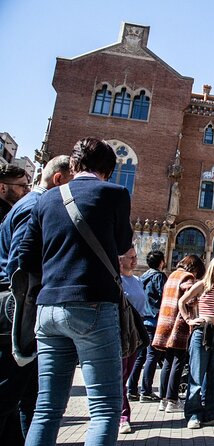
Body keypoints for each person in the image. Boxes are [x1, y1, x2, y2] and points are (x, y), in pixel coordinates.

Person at [18, 137, 133, 446]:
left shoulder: (46, 199)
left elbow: (25, 259)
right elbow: (124, 246)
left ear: (74, 164)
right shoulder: (115, 194)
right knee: (105, 409)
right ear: (109, 170)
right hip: (93, 305)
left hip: (48, 308)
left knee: (46, 408)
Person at [0, 155, 70, 445]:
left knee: (27, 397)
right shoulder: (35, 206)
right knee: (9, 394)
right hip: (18, 310)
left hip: (23, 308)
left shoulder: (30, 205)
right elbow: (19, 268)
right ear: (58, 179)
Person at [178, 255, 214, 429]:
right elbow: (182, 302)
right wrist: (189, 320)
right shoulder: (202, 285)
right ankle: (193, 414)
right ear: (213, 268)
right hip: (203, 332)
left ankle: (211, 413)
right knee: (197, 376)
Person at [152, 254, 205, 413]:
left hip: (166, 321)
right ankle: (173, 400)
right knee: (178, 361)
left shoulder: (172, 275)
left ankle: (163, 398)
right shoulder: (187, 276)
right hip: (179, 323)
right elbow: (189, 299)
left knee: (168, 361)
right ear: (194, 268)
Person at [118, 247, 151, 434]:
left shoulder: (138, 280)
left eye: (135, 257)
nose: (134, 260)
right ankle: (123, 416)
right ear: (119, 260)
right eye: (130, 257)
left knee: (126, 375)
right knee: (120, 376)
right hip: (120, 331)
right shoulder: (116, 280)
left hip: (136, 332)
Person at [127, 250, 167, 403]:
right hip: (155, 320)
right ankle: (146, 391)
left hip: (142, 320)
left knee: (140, 356)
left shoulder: (142, 277)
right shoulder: (159, 277)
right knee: (152, 356)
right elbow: (164, 296)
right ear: (162, 262)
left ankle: (131, 390)